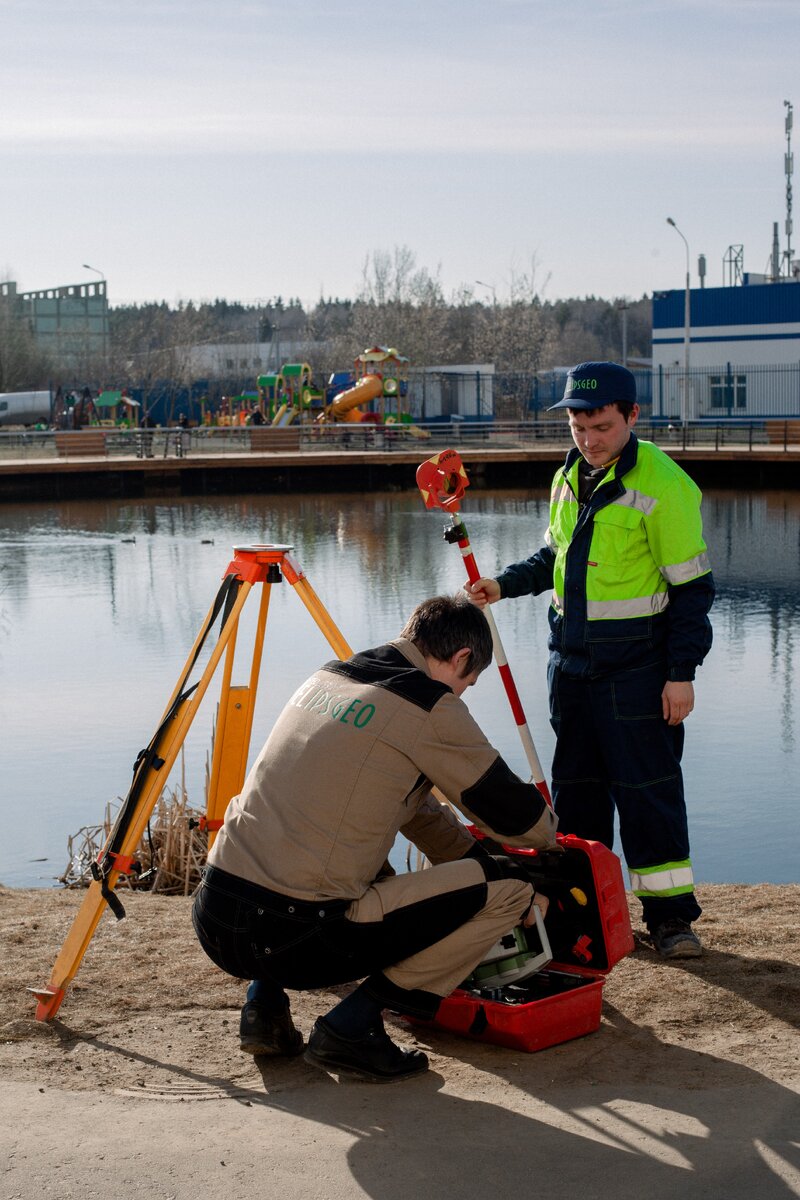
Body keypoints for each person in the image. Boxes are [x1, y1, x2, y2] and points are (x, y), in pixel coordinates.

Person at [192, 594, 557, 1082]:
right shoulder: (427, 704)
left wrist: (468, 858)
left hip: (215, 913)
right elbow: (523, 823)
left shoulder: (331, 676)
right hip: (296, 936)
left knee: (309, 844)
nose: (464, 693)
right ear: (461, 657)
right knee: (511, 891)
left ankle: (264, 1007)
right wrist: (532, 853)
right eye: (469, 682)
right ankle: (352, 1029)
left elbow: (415, 809)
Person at [466, 361, 714, 961]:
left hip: (639, 669)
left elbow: (693, 592)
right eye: (577, 425)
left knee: (648, 794)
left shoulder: (665, 485)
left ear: (631, 416)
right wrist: (502, 585)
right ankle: (586, 916)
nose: (587, 437)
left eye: (600, 425)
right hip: (571, 668)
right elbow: (555, 558)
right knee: (577, 802)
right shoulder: (568, 477)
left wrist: (681, 674)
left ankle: (671, 919)